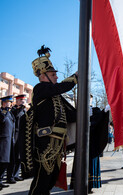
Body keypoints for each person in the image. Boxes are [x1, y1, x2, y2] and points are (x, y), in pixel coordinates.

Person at [27, 45, 78, 195]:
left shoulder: (55, 95)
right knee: (41, 182)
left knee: (50, 180)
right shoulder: (40, 89)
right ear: (43, 75)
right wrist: (76, 77)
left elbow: (69, 117)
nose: (56, 76)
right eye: (53, 74)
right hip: (45, 144)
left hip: (58, 145)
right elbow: (60, 87)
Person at [0, 95, 16, 190]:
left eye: (10, 103)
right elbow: (2, 120)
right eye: (8, 103)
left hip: (10, 140)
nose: (10, 104)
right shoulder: (2, 112)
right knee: (2, 162)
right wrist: (5, 110)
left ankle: (0, 181)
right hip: (3, 140)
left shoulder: (9, 113)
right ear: (4, 103)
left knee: (6, 162)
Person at [10, 94, 27, 181]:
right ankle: (11, 176)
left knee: (19, 156)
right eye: (21, 100)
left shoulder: (24, 110)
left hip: (21, 135)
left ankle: (16, 174)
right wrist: (20, 109)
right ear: (17, 101)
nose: (23, 101)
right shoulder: (13, 110)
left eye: (24, 100)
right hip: (15, 135)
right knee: (14, 156)